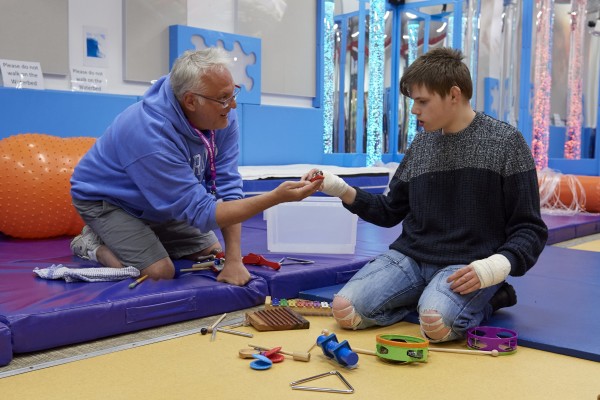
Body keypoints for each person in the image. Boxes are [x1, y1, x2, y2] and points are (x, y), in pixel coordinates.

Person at [305, 47, 548, 343]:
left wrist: (494, 268)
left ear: (454, 94)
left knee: (435, 325)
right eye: (413, 101)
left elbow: (530, 228)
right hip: (411, 259)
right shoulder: (421, 145)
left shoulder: (506, 143)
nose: (414, 110)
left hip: (468, 264)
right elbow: (389, 210)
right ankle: (426, 294)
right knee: (345, 311)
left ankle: (494, 295)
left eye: (422, 101)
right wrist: (339, 188)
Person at [70, 48, 322, 286]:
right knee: (158, 273)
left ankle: (144, 237)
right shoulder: (149, 134)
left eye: (232, 92)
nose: (232, 105)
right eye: (224, 98)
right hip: (110, 201)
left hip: (158, 201)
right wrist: (275, 198)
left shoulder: (222, 115)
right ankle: (92, 244)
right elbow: (201, 213)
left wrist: (233, 260)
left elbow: (228, 187)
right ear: (191, 101)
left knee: (212, 254)